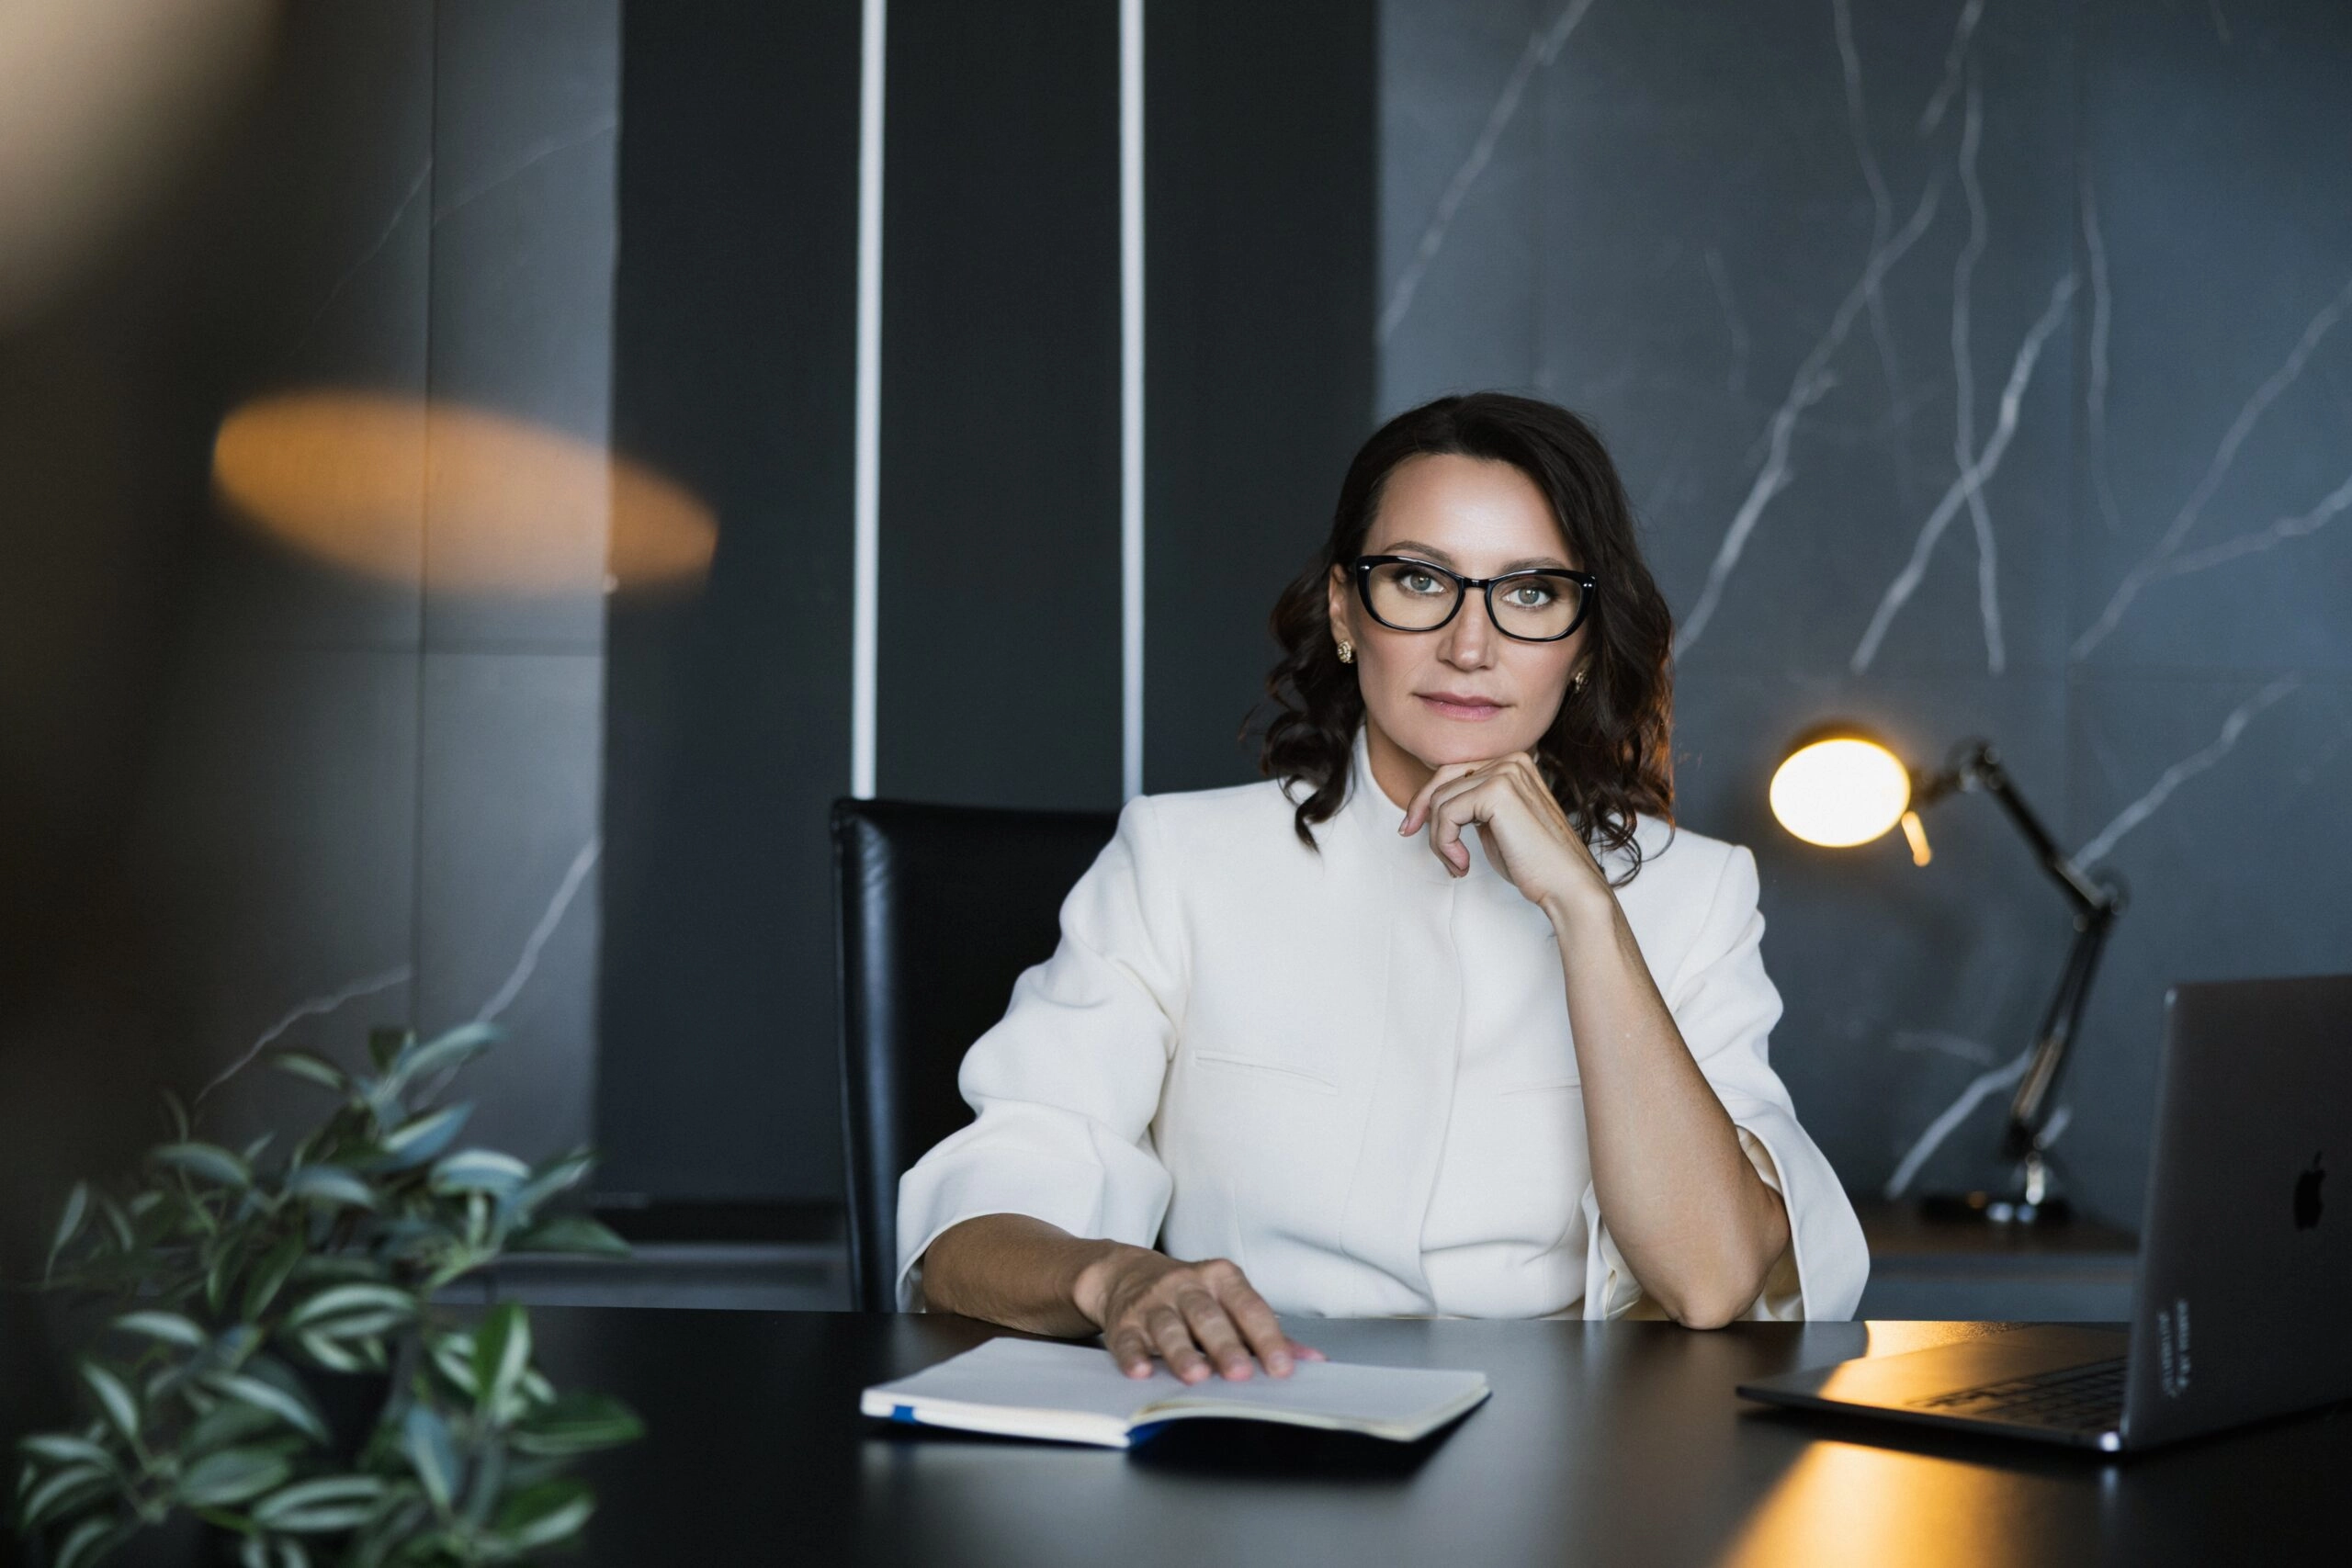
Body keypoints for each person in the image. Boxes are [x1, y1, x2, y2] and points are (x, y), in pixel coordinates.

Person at [896, 391, 1868, 1386]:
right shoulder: (1179, 860)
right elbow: (967, 1235)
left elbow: (1711, 1280)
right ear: (1343, 610)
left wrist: (1586, 915)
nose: (1470, 646)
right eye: (1417, 579)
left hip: (1570, 1443)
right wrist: (1118, 1279)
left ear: (1582, 642)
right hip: (1257, 1416)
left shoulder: (1697, 891)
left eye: (1531, 592)